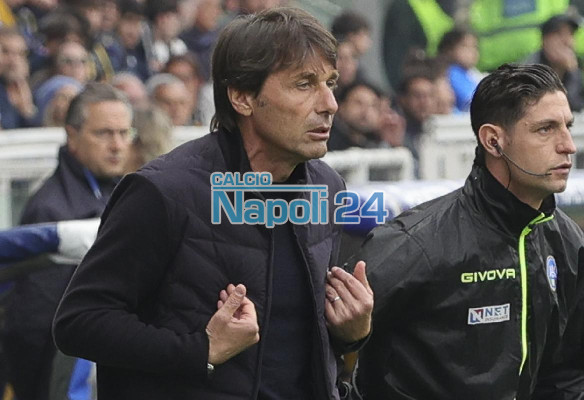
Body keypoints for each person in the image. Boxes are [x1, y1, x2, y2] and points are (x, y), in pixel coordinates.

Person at [53, 7, 373, 400]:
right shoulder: (162, 192)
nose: (329, 103)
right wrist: (200, 351)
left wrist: (349, 334)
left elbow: (293, 344)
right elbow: (79, 322)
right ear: (242, 97)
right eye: (304, 84)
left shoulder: (327, 188)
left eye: (330, 83)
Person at [353, 63, 584, 399]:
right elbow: (324, 344)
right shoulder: (416, 242)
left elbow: (573, 374)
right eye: (546, 129)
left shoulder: (567, 241)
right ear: (493, 141)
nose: (568, 145)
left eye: (567, 127)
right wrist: (349, 337)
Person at [3, 83, 133, 400]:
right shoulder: (51, 210)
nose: (117, 145)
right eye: (104, 133)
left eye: (124, 133)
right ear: (72, 136)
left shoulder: (117, 191)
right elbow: (34, 326)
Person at [524, 14, 584, 112]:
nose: (567, 41)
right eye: (559, 34)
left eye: (570, 33)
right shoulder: (529, 70)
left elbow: (577, 105)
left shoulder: (575, 66)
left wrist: (573, 72)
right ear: (544, 40)